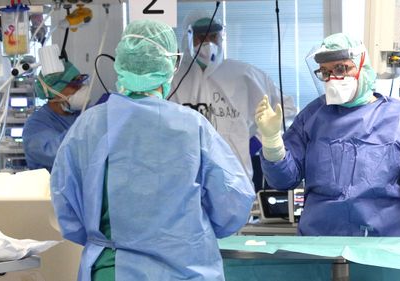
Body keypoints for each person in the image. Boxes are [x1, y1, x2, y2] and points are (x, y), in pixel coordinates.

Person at [50, 19, 255, 281]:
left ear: (121, 63)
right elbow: (233, 206)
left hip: (112, 270)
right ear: (170, 66)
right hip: (185, 270)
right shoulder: (191, 126)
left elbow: (66, 208)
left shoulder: (89, 126)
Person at [254, 33, 400, 237]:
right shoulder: (312, 117)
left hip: (386, 247)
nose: (333, 78)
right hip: (322, 243)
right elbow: (284, 180)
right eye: (326, 72)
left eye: (341, 68)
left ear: (363, 67)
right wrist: (272, 141)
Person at [169, 10, 297, 182]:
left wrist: (258, 142)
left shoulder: (245, 75)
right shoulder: (173, 80)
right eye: (201, 37)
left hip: (234, 178)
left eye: (213, 36)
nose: (208, 43)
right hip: (184, 176)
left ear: (221, 37)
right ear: (188, 38)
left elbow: (285, 109)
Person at [23, 61, 91, 172]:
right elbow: (58, 154)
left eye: (81, 81)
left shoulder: (84, 113)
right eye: (75, 84)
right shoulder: (36, 126)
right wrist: (86, 127)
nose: (82, 88)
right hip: (51, 188)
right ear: (54, 91)